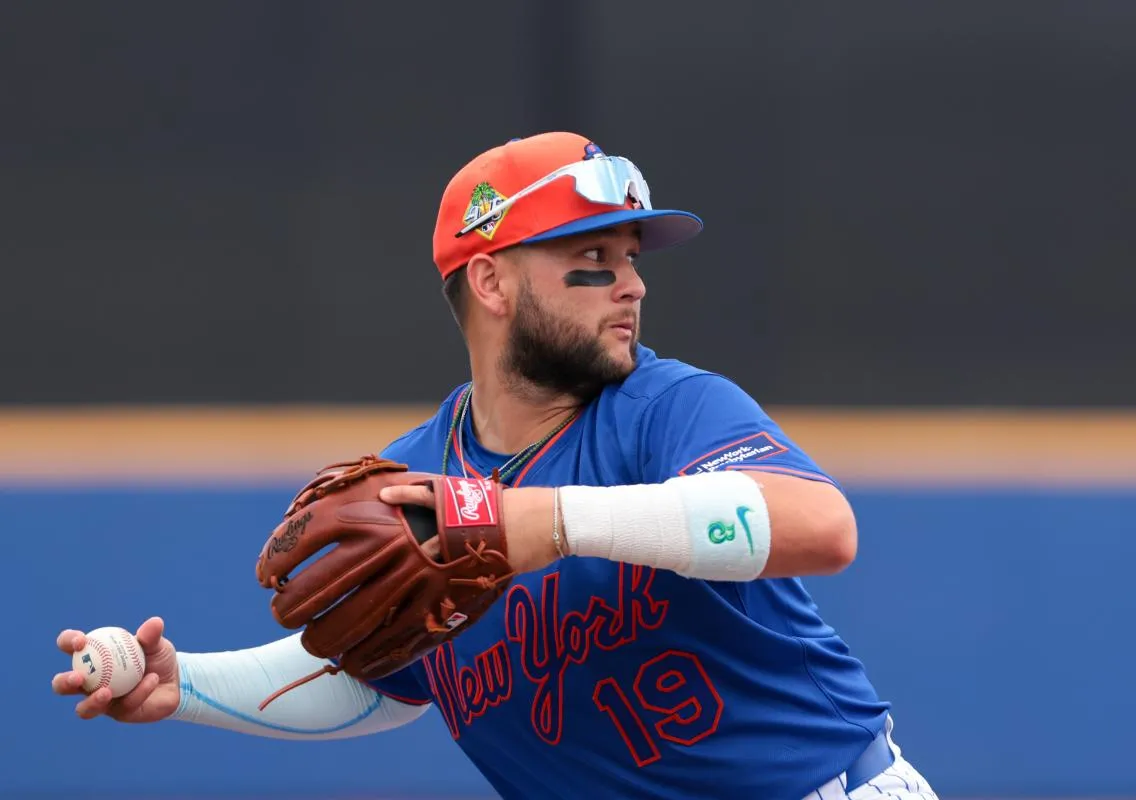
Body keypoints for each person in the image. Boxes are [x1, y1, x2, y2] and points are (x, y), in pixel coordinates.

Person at [52, 131, 938, 800]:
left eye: (631, 260)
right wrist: (190, 683)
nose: (630, 285)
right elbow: (382, 680)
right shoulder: (413, 480)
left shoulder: (666, 408)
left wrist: (545, 522)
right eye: (591, 260)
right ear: (491, 283)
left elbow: (822, 528)